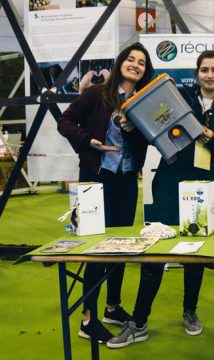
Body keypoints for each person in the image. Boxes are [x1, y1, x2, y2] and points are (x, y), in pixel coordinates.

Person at [106, 50, 214, 348]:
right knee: (156, 251)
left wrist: (209, 136)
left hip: (208, 185)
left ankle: (189, 311)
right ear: (197, 73)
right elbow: (148, 132)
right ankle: (139, 322)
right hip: (170, 182)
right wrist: (129, 129)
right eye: (204, 69)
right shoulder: (178, 97)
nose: (209, 75)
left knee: (195, 253)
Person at [57, 42, 154, 343]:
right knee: (98, 247)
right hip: (95, 178)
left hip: (125, 179)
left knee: (120, 245)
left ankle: (112, 306)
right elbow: (65, 122)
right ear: (120, 62)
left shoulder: (141, 102)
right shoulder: (96, 94)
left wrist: (133, 129)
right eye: (130, 58)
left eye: (141, 62)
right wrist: (89, 141)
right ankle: (88, 318)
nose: (135, 65)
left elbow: (145, 144)